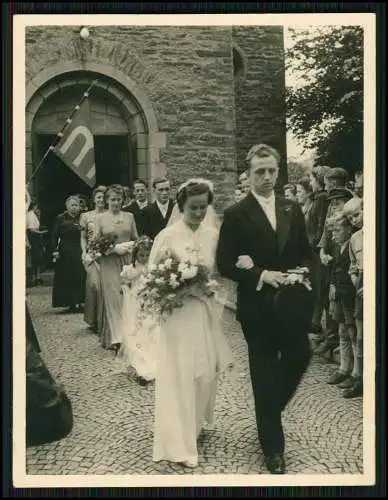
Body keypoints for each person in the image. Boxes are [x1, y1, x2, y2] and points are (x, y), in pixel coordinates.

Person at [216, 143, 313, 474]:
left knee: (301, 354)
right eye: (260, 171)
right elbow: (224, 263)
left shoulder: (291, 208)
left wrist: (303, 270)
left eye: (272, 170)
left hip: (290, 305)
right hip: (257, 308)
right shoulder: (235, 213)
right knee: (264, 372)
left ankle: (268, 411)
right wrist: (259, 273)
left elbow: (304, 250)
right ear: (249, 173)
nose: (267, 177)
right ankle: (273, 448)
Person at [149, 178, 233, 468]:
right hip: (178, 317)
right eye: (192, 208)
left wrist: (208, 288)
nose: (198, 213)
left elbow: (219, 274)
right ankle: (177, 440)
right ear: (180, 206)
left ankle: (194, 424)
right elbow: (153, 279)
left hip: (203, 314)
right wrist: (185, 288)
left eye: (202, 207)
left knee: (204, 374)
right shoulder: (167, 236)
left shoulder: (212, 235)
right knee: (180, 373)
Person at [94, 185, 138, 352]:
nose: (116, 202)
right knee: (114, 298)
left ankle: (130, 334)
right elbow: (95, 245)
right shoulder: (100, 218)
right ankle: (117, 337)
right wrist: (113, 249)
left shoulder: (130, 216)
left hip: (127, 260)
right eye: (113, 199)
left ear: (123, 200)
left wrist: (130, 246)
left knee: (128, 295)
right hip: (109, 262)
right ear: (107, 200)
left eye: (119, 199)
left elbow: (136, 238)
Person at [315, 187, 354, 358]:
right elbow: (325, 237)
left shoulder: (350, 222)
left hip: (344, 265)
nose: (333, 207)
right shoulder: (331, 218)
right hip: (331, 262)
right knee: (329, 298)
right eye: (332, 204)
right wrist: (322, 253)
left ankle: (337, 340)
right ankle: (332, 337)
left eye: (337, 203)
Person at [119, 236, 159, 386]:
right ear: (135, 255)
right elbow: (124, 284)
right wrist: (127, 292)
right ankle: (140, 364)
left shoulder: (153, 268)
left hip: (150, 303)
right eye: (141, 255)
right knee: (137, 332)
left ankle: (153, 361)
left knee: (152, 330)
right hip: (136, 304)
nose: (144, 258)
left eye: (147, 255)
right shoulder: (129, 270)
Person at [325, 212, 357, 397]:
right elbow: (334, 270)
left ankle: (355, 372)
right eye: (333, 231)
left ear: (348, 229)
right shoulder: (338, 248)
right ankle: (344, 369)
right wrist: (332, 285)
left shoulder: (351, 245)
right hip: (339, 295)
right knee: (342, 332)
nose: (334, 234)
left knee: (353, 334)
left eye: (337, 230)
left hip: (349, 297)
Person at [343, 197, 363, 398]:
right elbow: (353, 265)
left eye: (357, 214)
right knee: (360, 336)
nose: (354, 220)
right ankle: (361, 380)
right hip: (360, 290)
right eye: (350, 218)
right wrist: (356, 279)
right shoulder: (355, 238)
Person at [307, 166, 331, 336]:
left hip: (317, 250)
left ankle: (318, 323)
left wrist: (315, 244)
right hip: (312, 249)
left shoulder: (322, 199)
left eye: (312, 179)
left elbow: (321, 225)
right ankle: (317, 323)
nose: (310, 182)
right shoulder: (317, 198)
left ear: (319, 180)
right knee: (317, 284)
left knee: (322, 285)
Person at [51, 196, 86, 313]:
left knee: (79, 275)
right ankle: (69, 303)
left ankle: (80, 301)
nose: (74, 207)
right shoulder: (61, 218)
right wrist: (55, 250)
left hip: (78, 249)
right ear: (67, 206)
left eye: (76, 205)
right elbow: (54, 235)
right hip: (65, 251)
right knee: (67, 276)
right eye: (72, 205)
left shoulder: (82, 218)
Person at [80, 185, 107, 332]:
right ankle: (92, 319)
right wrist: (84, 252)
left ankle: (103, 320)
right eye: (98, 197)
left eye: (103, 197)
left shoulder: (109, 214)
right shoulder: (86, 216)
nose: (101, 200)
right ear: (94, 199)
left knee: (105, 286)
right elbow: (83, 237)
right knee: (94, 285)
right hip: (91, 255)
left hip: (105, 255)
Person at [26, 201, 47, 286]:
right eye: (36, 207)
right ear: (34, 206)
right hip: (33, 238)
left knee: (38, 257)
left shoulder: (34, 215)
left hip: (36, 238)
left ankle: (37, 277)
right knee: (35, 257)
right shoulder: (30, 215)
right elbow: (32, 230)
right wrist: (42, 232)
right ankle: (34, 278)